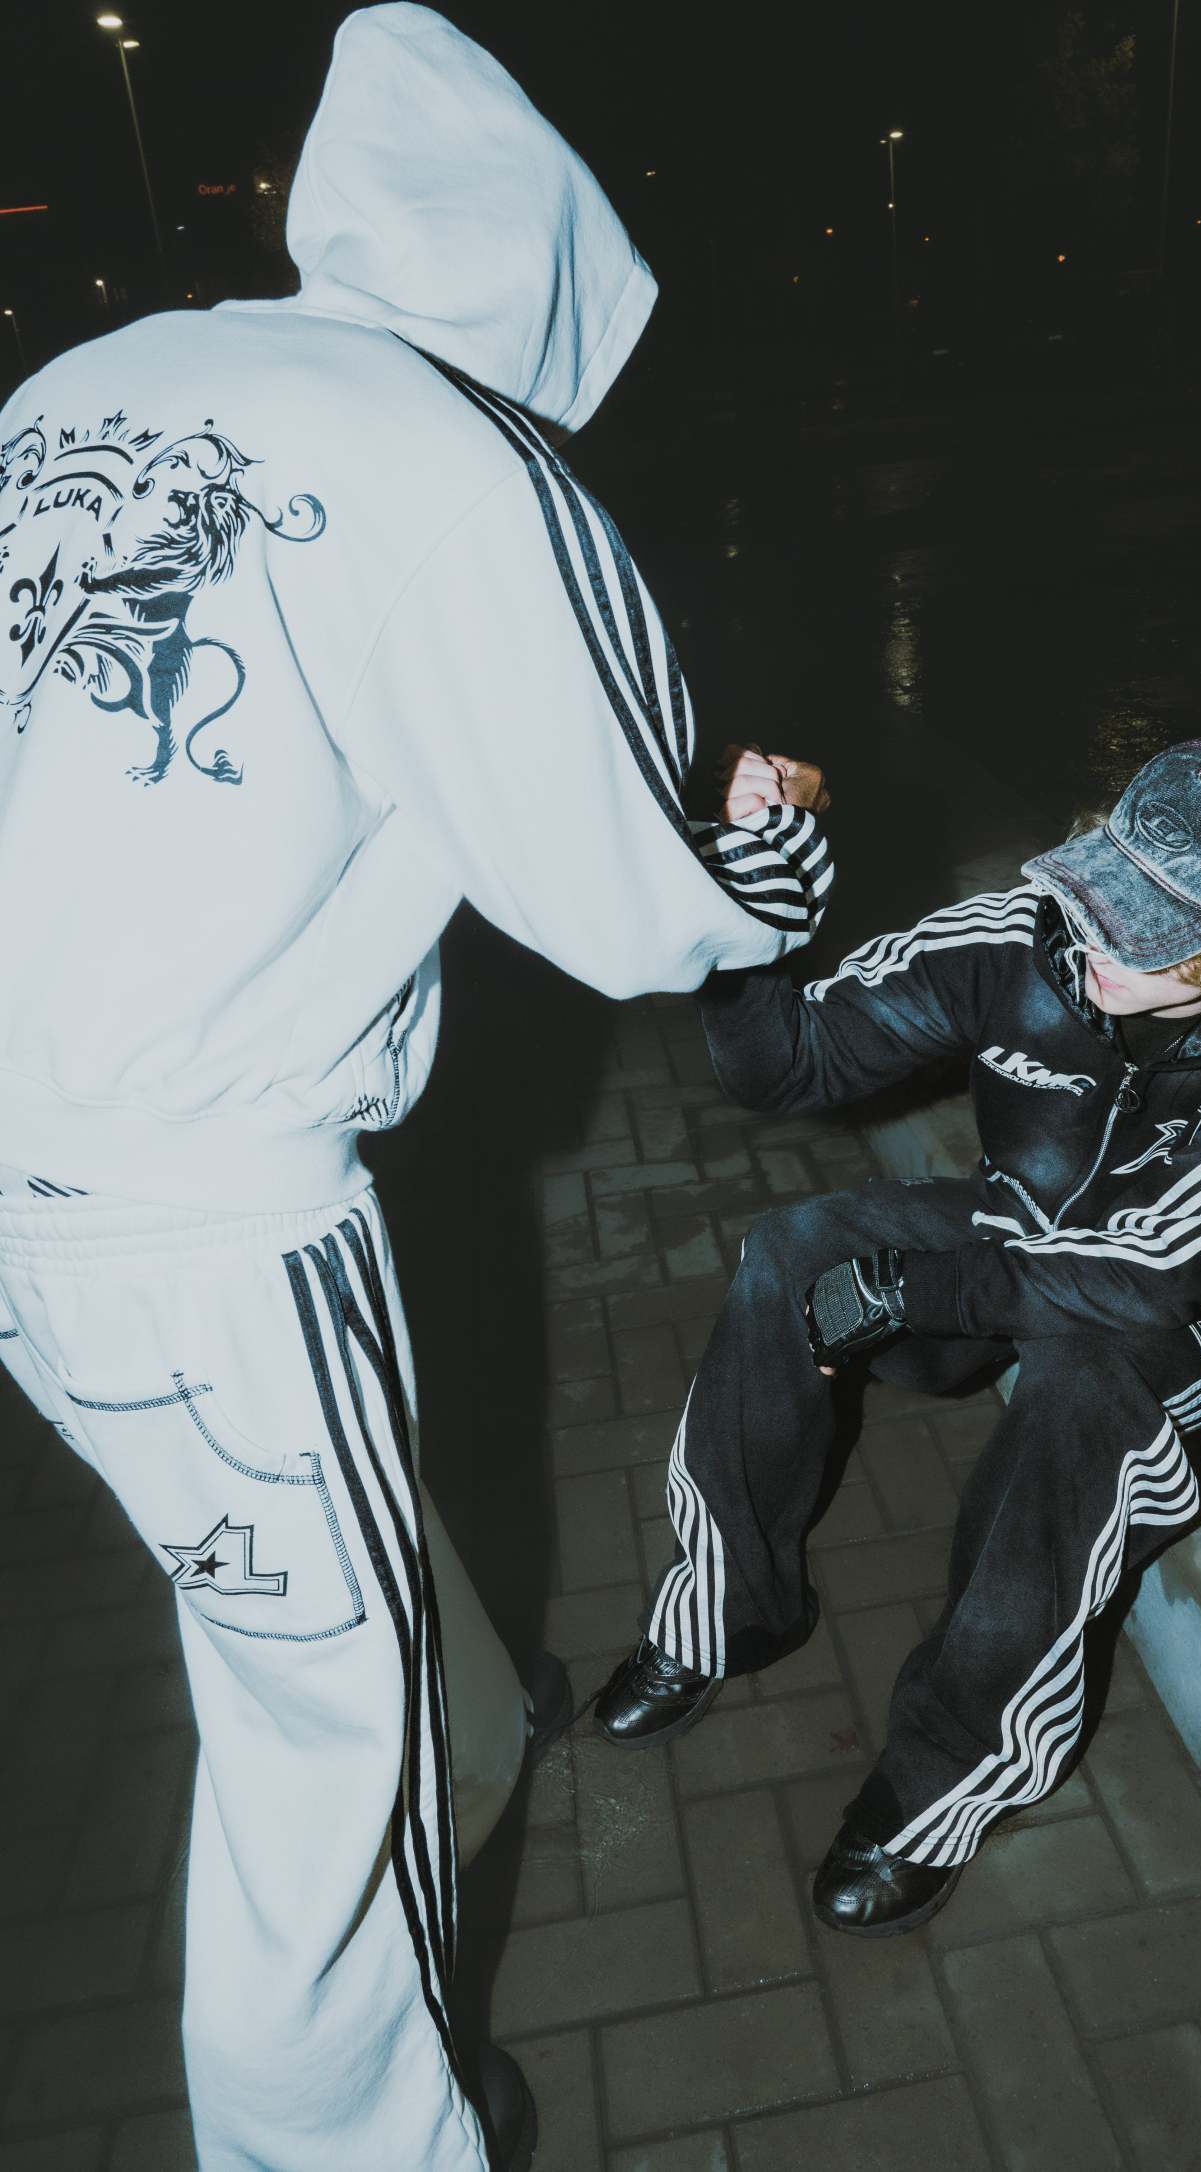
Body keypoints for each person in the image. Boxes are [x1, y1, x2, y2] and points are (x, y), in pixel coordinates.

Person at [0, 8, 832, 2168]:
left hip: (35, 1184)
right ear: (543, 274)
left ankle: (446, 1686)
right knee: (318, 1773)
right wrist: (762, 864)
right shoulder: (460, 460)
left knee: (309, 1590)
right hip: (202, 1221)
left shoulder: (75, 388)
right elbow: (630, 904)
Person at [596, 733, 1201, 1938]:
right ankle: (730, 1609)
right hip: (1009, 1229)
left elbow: (1142, 1281)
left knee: (1080, 1389)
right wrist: (744, 909)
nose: (1101, 937)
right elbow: (788, 1066)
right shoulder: (1020, 935)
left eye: (1151, 928)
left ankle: (946, 1775)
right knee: (792, 1248)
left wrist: (908, 1291)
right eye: (1105, 892)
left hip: (1187, 1315)